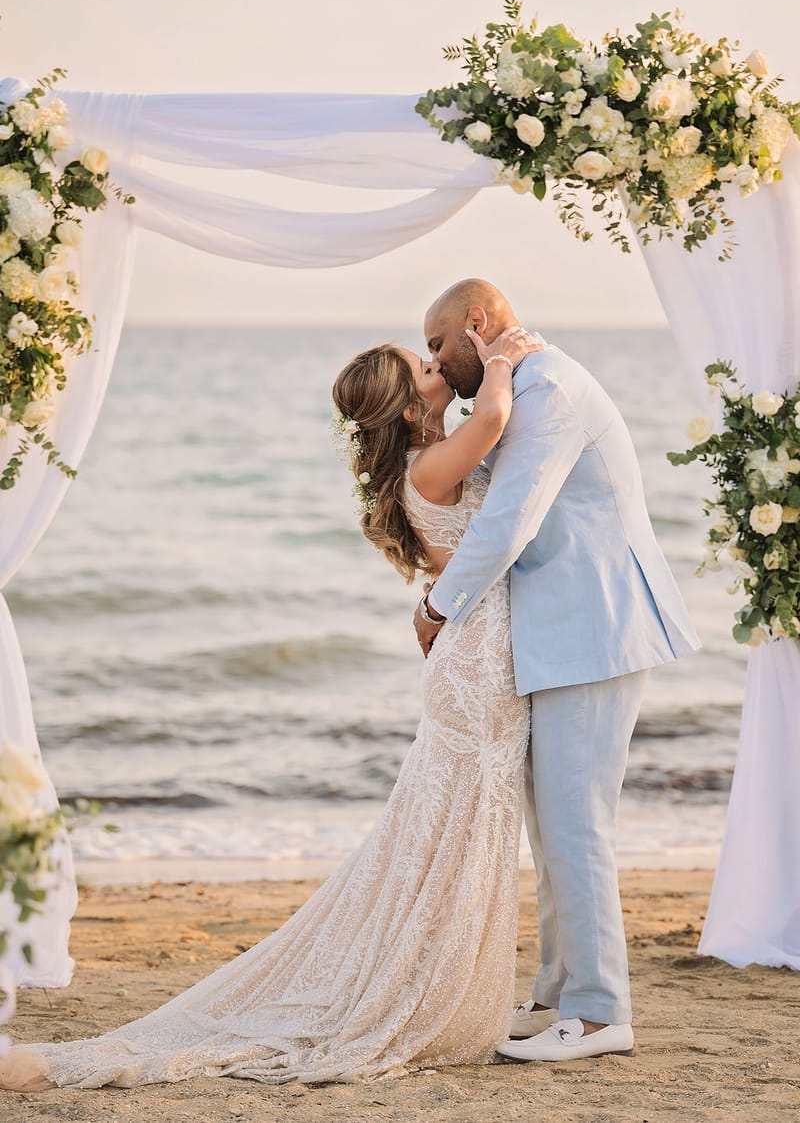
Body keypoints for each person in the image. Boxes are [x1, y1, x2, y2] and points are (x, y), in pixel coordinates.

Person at [0, 323, 541, 1092]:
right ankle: (426, 992)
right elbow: (494, 416)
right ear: (406, 407)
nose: (436, 366)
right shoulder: (429, 466)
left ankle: (440, 983)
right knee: (457, 835)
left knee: (454, 837)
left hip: (477, 659)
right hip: (476, 667)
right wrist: (505, 354)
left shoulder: (428, 460)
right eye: (423, 366)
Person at [414, 279, 701, 1063]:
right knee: (552, 827)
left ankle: (602, 1014)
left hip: (595, 631)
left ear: (476, 321)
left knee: (577, 827)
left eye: (438, 343)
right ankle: (555, 995)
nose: (435, 359)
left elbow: (511, 520)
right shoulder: (522, 385)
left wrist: (439, 606)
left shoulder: (551, 392)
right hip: (561, 635)